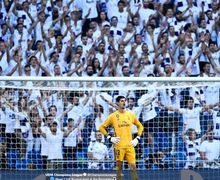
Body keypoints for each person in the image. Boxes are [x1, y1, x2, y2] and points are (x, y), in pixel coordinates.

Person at [99, 95, 143, 180]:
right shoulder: (113, 116)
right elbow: (101, 127)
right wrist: (110, 138)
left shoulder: (130, 114)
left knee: (133, 167)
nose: (124, 102)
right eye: (122, 101)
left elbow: (140, 126)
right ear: (117, 103)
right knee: (119, 167)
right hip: (119, 146)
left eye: (125, 101)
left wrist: (137, 138)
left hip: (130, 145)